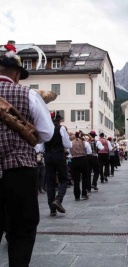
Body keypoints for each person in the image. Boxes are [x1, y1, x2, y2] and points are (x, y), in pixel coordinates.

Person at [0, 41, 54, 266]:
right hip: (19, 170)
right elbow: (46, 133)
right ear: (16, 73)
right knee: (22, 230)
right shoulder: (28, 94)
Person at [44, 111, 72, 216]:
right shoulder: (61, 128)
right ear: (59, 121)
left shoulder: (45, 129)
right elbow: (67, 144)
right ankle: (58, 200)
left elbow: (40, 147)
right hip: (59, 155)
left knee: (50, 182)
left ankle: (52, 209)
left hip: (48, 156)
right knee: (64, 179)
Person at [70, 131, 91, 200]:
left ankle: (76, 195)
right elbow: (89, 151)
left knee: (76, 179)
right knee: (85, 177)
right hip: (83, 159)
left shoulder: (71, 142)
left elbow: (69, 151)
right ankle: (84, 193)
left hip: (74, 160)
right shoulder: (85, 142)